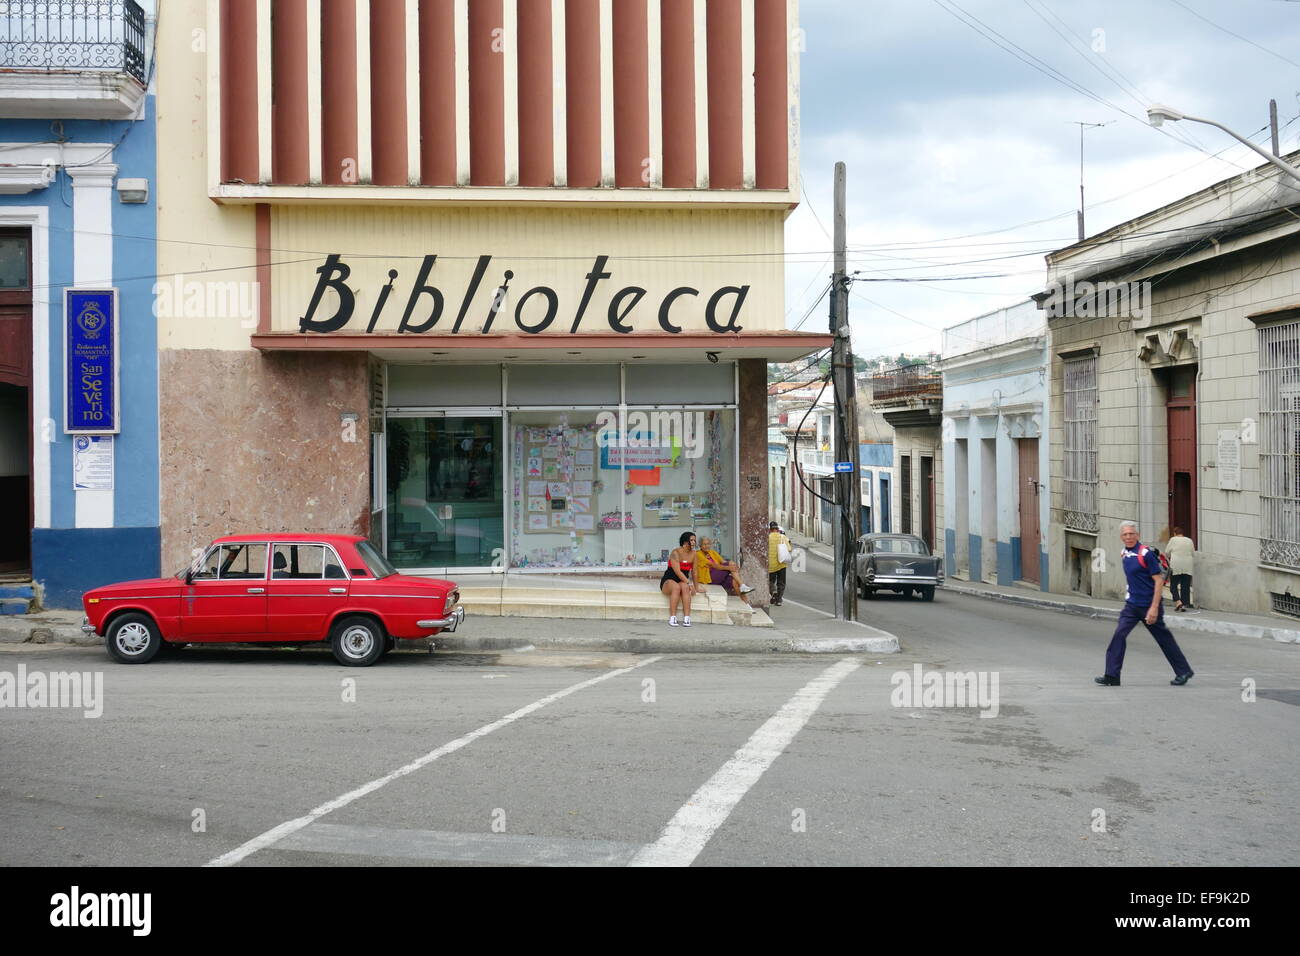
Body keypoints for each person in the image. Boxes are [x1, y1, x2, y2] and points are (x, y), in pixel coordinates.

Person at [1095, 521, 1194, 687]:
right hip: (1132, 606)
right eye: (1125, 534)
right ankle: (1112, 675)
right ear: (1121, 537)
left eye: (1131, 534)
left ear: (1137, 535)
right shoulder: (1124, 554)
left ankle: (1183, 671)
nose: (1128, 537)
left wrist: (1154, 608)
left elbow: (1158, 581)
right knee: (1119, 636)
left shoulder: (1145, 554)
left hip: (1149, 604)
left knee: (1164, 639)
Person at [660, 531, 705, 627]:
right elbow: (678, 572)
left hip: (682, 580)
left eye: (694, 540)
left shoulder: (694, 554)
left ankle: (687, 618)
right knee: (676, 587)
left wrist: (696, 587)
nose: (694, 542)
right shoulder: (675, 552)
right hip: (669, 580)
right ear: (685, 542)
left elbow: (694, 572)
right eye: (691, 540)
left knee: (684, 588)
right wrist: (689, 583)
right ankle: (672, 617)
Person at [696, 537, 755, 604]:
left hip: (718, 576)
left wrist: (732, 566)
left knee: (734, 581)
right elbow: (713, 565)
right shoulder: (698, 554)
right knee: (730, 564)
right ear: (700, 545)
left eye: (708, 544)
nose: (706, 546)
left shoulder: (712, 552)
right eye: (704, 544)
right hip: (709, 578)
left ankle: (746, 603)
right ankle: (742, 585)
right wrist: (729, 568)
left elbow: (723, 561)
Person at [1166, 526, 1195, 611]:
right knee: (1185, 585)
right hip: (1187, 565)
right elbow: (1193, 553)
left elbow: (1167, 552)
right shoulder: (1189, 540)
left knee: (1173, 585)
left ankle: (1178, 602)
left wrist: (1170, 557)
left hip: (1176, 565)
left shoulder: (1173, 540)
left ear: (1175, 533)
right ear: (1182, 533)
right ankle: (1184, 604)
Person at [768, 521, 791, 607]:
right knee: (781, 582)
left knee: (770, 581)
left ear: (770, 530)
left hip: (771, 564)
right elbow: (789, 548)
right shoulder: (782, 537)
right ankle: (779, 600)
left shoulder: (767, 537)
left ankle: (773, 592)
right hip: (781, 563)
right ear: (777, 529)